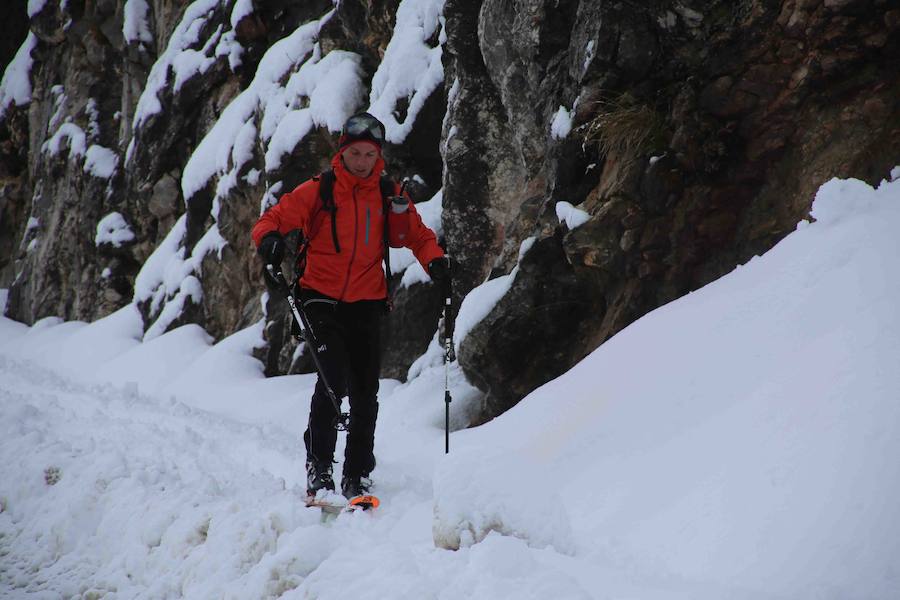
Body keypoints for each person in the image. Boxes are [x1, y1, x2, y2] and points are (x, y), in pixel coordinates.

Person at [251, 112, 450, 500]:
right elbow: (271, 220)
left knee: (365, 391)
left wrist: (435, 261)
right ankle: (320, 466)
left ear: (379, 157)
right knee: (332, 381)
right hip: (319, 298)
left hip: (367, 302)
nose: (362, 161)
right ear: (342, 152)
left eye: (369, 155)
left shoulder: (388, 193)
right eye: (355, 153)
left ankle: (357, 472)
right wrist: (270, 242)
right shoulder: (320, 190)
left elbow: (418, 235)